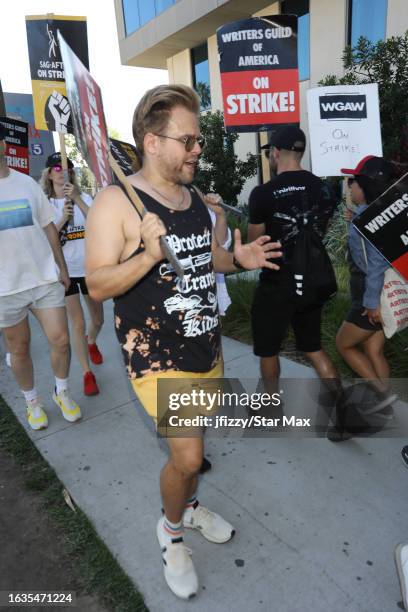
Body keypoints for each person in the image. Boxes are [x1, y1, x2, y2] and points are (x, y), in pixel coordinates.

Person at [85, 84, 282, 600]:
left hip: (204, 346)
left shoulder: (193, 197)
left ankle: (189, 508)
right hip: (155, 357)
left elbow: (206, 259)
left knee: (191, 448)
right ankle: (170, 532)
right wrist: (147, 255)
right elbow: (99, 285)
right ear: (152, 142)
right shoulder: (116, 203)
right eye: (188, 139)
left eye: (198, 139)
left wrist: (237, 259)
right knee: (190, 458)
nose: (199, 148)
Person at [0, 125, 81, 430]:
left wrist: (61, 267)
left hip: (44, 277)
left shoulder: (27, 185)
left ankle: (62, 392)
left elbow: (48, 226)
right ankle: (32, 402)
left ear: (4, 145)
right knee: (19, 349)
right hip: (6, 286)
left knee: (60, 339)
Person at [248, 126, 339, 392]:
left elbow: (256, 245)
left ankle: (271, 407)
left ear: (275, 152)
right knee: (313, 348)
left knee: (268, 350)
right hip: (312, 280)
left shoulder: (263, 193)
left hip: (276, 283)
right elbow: (321, 229)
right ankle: (345, 413)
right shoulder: (323, 188)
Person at [40, 153, 104, 396]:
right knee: (77, 324)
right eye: (56, 166)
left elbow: (98, 222)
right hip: (64, 271)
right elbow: (45, 238)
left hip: (89, 268)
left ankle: (92, 341)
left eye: (67, 166)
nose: (61, 170)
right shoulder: (44, 203)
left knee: (97, 320)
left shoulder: (83, 196)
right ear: (48, 172)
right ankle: (87, 374)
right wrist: (64, 218)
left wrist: (77, 199)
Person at [336, 156, 397, 407]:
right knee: (373, 351)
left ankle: (382, 395)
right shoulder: (382, 213)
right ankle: (387, 404)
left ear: (366, 187)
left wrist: (371, 304)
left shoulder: (368, 221)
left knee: (344, 344)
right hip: (382, 291)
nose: (350, 186)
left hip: (369, 294)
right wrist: (357, 217)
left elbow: (376, 265)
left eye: (354, 181)